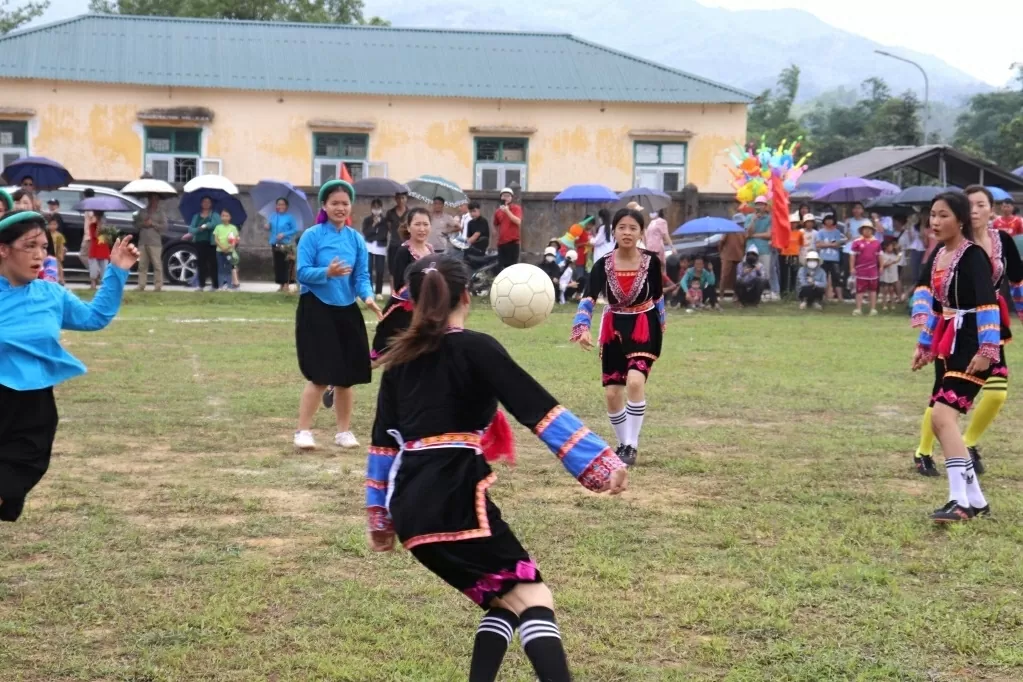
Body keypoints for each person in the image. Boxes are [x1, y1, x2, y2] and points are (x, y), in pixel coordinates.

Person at [365, 256, 627, 682]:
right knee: (533, 596)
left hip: (410, 509)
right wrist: (599, 464)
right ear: (466, 297)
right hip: (455, 500)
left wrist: (380, 518)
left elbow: (381, 447)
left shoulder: (399, 360)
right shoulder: (477, 348)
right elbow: (537, 408)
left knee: (501, 598)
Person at [0, 210, 138, 522]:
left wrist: (117, 270)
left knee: (8, 484)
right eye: (29, 246)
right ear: (3, 249)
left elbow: (94, 318)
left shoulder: (51, 294)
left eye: (43, 247)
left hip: (32, 413)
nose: (39, 255)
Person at [911, 186, 1023, 478]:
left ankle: (968, 444)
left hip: (988, 326)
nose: (974, 210)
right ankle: (924, 451)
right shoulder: (949, 246)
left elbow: (1018, 280)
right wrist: (925, 335)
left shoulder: (1001, 241)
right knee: (943, 396)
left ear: (991, 209)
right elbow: (928, 287)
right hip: (954, 328)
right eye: (969, 205)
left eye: (981, 204)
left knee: (996, 393)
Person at [910, 192, 1000, 523]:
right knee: (939, 419)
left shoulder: (973, 256)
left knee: (942, 417)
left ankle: (958, 501)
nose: (935, 222)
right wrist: (925, 345)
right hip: (949, 345)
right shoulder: (939, 255)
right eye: (932, 215)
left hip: (973, 344)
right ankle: (975, 500)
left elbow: (988, 302)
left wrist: (987, 350)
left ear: (960, 220)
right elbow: (938, 307)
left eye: (943, 215)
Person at [293, 180, 383, 451]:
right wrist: (327, 273)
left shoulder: (355, 239)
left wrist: (367, 297)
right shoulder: (312, 236)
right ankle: (303, 431)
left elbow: (362, 276)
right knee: (320, 375)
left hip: (347, 310)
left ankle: (343, 432)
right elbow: (302, 272)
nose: (340, 208)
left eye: (345, 203)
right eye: (335, 203)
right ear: (324, 205)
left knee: (347, 376)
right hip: (316, 309)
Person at [570, 208, 664, 467]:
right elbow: (588, 297)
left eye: (633, 228)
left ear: (641, 233)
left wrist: (661, 325)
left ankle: (631, 445)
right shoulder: (603, 264)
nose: (627, 232)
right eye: (622, 227)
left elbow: (658, 296)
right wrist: (582, 327)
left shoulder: (651, 262)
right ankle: (623, 443)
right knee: (612, 393)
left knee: (634, 382)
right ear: (613, 231)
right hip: (613, 329)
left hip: (644, 325)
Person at [371, 207, 433, 365]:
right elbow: (400, 285)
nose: (422, 229)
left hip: (424, 311)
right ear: (408, 227)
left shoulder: (430, 250)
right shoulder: (404, 251)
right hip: (401, 312)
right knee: (383, 357)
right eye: (417, 224)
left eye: (425, 224)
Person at [133, 193, 167, 292]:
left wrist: (153, 224)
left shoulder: (161, 213)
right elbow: (136, 224)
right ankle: (141, 285)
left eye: (155, 199)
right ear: (148, 200)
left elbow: (164, 227)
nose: (153, 201)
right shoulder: (142, 211)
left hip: (155, 242)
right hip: (143, 241)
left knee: (157, 265)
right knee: (142, 265)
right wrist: (144, 224)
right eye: (151, 199)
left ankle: (158, 286)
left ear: (158, 201)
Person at [268, 198, 299, 293]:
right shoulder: (273, 216)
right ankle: (281, 284)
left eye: (282, 204)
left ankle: (286, 284)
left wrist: (284, 234)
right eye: (278, 204)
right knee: (278, 265)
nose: (280, 206)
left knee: (286, 264)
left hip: (286, 244)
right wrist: (267, 226)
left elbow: (295, 229)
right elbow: (271, 227)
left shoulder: (290, 217)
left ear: (286, 206)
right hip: (275, 243)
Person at [188, 196, 220, 291]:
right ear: (201, 203)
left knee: (213, 264)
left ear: (211, 204)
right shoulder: (196, 216)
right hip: (199, 242)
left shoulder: (214, 215)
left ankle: (215, 285)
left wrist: (207, 226)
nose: (206, 204)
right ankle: (201, 285)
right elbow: (191, 229)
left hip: (211, 243)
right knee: (201, 264)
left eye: (208, 202)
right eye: (204, 202)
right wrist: (199, 229)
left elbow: (216, 224)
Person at [850, 222, 881, 316]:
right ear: (862, 230)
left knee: (873, 290)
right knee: (860, 290)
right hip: (861, 270)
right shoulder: (857, 242)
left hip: (873, 270)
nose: (867, 230)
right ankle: (858, 309)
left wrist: (881, 266)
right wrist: (852, 267)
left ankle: (873, 309)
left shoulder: (876, 242)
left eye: (869, 229)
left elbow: (880, 255)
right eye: (865, 229)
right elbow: (852, 256)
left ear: (872, 230)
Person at [745, 197, 773, 299]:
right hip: (751, 249)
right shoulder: (749, 217)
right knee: (749, 271)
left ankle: (764, 293)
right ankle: (750, 293)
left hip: (764, 249)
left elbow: (769, 235)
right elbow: (748, 234)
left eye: (761, 204)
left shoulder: (769, 218)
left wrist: (754, 235)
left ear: (765, 206)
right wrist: (753, 220)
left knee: (764, 272)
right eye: (757, 204)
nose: (759, 206)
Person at [362, 198, 389, 298]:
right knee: (368, 269)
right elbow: (366, 233)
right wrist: (373, 225)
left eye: (378, 207)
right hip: (369, 247)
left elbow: (383, 234)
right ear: (371, 208)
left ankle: (378, 292)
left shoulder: (385, 221)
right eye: (374, 207)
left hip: (380, 247)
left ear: (381, 208)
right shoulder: (367, 220)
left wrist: (373, 235)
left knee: (380, 270)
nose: (376, 210)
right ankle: (369, 291)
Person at [815, 213, 845, 301]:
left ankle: (840, 297)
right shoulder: (820, 232)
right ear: (824, 221)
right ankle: (823, 297)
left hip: (834, 259)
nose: (829, 221)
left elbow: (837, 244)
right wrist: (831, 244)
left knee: (837, 278)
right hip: (823, 258)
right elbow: (818, 244)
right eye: (827, 220)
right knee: (823, 277)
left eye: (831, 220)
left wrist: (825, 244)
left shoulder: (837, 232)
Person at [494, 187, 523, 271]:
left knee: (511, 268)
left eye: (508, 196)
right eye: (504, 196)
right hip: (501, 244)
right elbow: (495, 225)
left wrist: (507, 211)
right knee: (501, 268)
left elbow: (518, 221)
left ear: (511, 198)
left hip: (513, 243)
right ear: (501, 197)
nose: (506, 198)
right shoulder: (498, 211)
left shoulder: (516, 208)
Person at [385, 191, 410, 286]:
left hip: (406, 244)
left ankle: (405, 289)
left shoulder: (410, 213)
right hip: (394, 244)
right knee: (392, 269)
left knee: (406, 268)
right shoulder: (390, 213)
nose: (401, 200)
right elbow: (389, 227)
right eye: (398, 198)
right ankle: (393, 290)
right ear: (395, 199)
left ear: (406, 199)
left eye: (403, 198)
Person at [719, 213, 746, 297]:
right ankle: (721, 294)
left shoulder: (743, 231)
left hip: (739, 257)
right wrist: (721, 252)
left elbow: (745, 243)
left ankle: (736, 295)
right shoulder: (728, 230)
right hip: (728, 256)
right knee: (724, 276)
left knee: (737, 277)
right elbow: (721, 242)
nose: (741, 224)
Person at [213, 209, 240, 291]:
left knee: (228, 268)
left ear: (230, 217)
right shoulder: (218, 227)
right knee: (220, 268)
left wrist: (229, 247)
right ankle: (220, 286)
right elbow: (216, 239)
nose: (224, 217)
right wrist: (222, 247)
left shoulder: (233, 228)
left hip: (229, 251)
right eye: (223, 215)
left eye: (227, 216)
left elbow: (235, 239)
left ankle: (229, 286)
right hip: (219, 251)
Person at [780, 214, 806, 297]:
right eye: (791, 223)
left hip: (794, 255)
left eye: (795, 223)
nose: (793, 224)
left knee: (794, 273)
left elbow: (801, 244)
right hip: (784, 255)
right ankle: (783, 292)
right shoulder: (784, 232)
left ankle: (793, 292)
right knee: (784, 274)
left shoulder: (800, 233)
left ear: (797, 223)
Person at [87, 211, 112, 290]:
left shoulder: (107, 228)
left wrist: (102, 227)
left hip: (103, 251)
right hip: (94, 250)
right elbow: (95, 236)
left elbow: (107, 239)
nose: (99, 219)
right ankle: (93, 284)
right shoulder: (92, 226)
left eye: (100, 217)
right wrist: (98, 226)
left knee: (104, 270)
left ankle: (104, 285)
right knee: (93, 269)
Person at [879, 239, 902, 311]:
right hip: (885, 275)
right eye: (890, 246)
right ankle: (884, 305)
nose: (892, 247)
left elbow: (898, 259)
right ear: (886, 247)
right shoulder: (883, 255)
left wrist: (899, 251)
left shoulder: (894, 255)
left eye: (892, 246)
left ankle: (892, 304)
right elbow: (883, 265)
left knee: (891, 290)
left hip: (892, 275)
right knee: (885, 290)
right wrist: (891, 262)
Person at [47, 216, 66, 285]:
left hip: (56, 255)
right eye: (51, 224)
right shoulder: (46, 234)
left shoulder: (59, 235)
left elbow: (61, 246)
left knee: (59, 266)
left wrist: (61, 255)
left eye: (54, 224)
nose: (53, 226)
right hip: (48, 254)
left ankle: (61, 279)